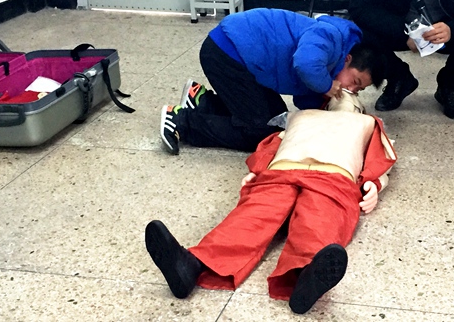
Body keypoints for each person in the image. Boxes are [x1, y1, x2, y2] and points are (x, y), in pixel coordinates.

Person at [145, 91, 397, 314]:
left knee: (319, 220)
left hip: (332, 178)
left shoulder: (368, 123)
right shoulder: (300, 116)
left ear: (360, 107)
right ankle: (191, 265)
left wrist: (374, 184)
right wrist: (257, 170)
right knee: (252, 217)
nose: (345, 96)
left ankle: (307, 274)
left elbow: (382, 159)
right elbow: (271, 145)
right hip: (282, 172)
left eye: (353, 96)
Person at [160, 7, 386, 154]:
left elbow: (305, 102)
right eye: (355, 81)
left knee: (277, 119)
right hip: (227, 52)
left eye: (358, 89)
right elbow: (305, 64)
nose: (350, 88)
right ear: (347, 60)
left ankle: (202, 101)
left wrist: (332, 118)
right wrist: (327, 86)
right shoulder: (331, 37)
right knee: (257, 132)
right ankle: (180, 121)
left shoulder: (330, 67)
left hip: (243, 60)